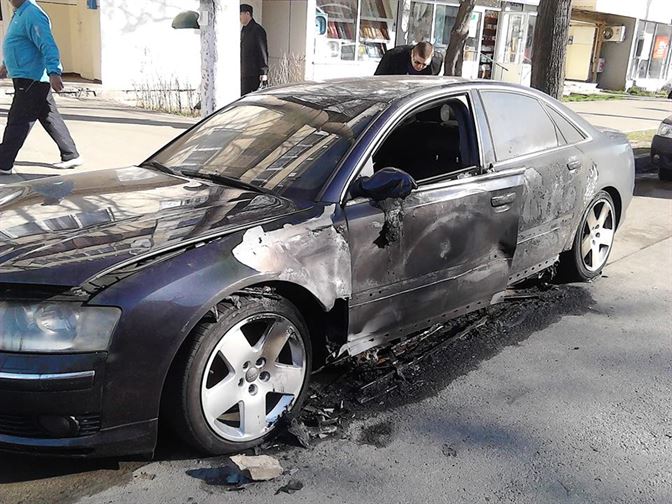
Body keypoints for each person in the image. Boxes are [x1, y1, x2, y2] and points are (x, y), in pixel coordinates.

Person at [0, 0, 83, 176]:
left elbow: (47, 43)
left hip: (31, 78)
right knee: (50, 117)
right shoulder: (20, 12)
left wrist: (54, 71)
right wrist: (5, 65)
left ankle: (3, 162)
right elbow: (18, 43)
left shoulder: (32, 13)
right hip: (26, 77)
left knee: (18, 120)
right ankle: (71, 155)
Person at [240, 4, 269, 96]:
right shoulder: (244, 30)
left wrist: (264, 72)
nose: (239, 17)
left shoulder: (257, 30)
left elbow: (262, 51)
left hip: (254, 74)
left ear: (247, 14)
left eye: (240, 14)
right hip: (244, 73)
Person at [374, 41, 443, 76]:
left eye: (424, 64)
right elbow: (378, 79)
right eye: (417, 62)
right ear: (411, 54)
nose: (420, 67)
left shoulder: (436, 63)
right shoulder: (392, 57)